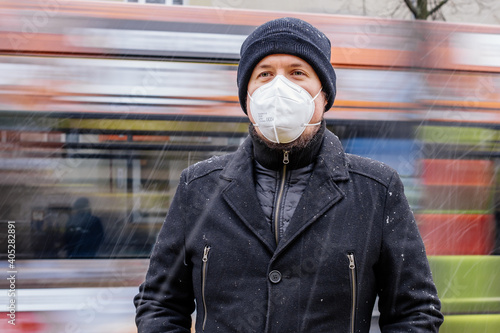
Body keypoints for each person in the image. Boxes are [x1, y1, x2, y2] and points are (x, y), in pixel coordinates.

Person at [134, 17, 443, 332]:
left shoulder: (376, 189)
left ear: (323, 96)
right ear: (248, 98)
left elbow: (415, 312)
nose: (279, 88)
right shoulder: (198, 187)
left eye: (298, 73)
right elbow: (159, 304)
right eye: (264, 74)